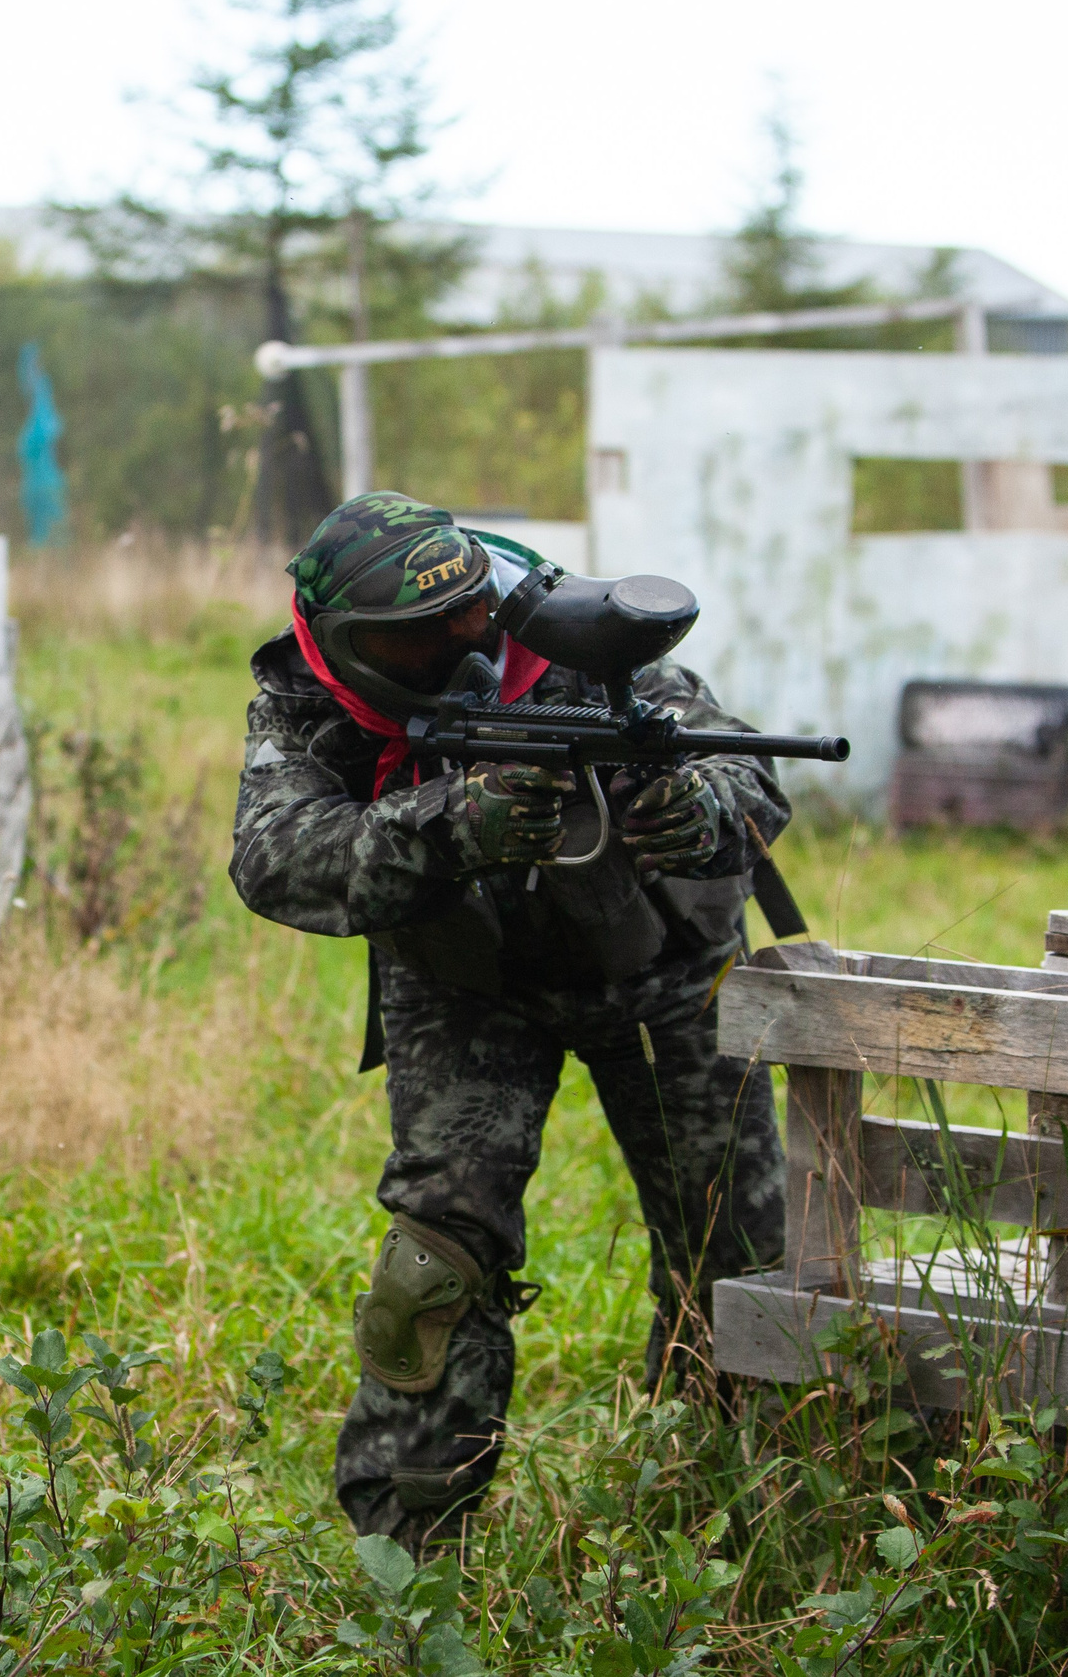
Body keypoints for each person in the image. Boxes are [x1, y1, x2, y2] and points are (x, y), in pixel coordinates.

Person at [228, 493, 790, 1552]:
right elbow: (273, 856)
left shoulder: (564, 634)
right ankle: (407, 1556)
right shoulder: (310, 697)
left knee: (738, 1257)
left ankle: (740, 1512)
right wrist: (447, 826)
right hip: (466, 983)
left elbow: (743, 764)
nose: (461, 648)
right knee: (436, 1263)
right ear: (346, 642)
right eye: (419, 637)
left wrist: (700, 810)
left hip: (663, 969)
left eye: (469, 617)